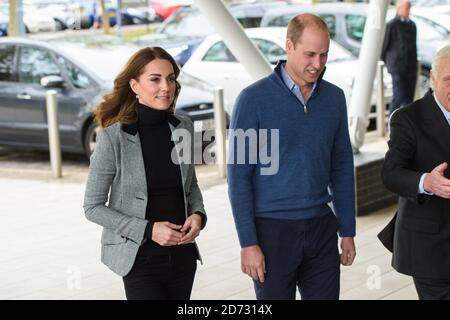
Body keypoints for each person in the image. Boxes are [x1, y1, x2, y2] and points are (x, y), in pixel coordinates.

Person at [228, 14, 356, 300]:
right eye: (310, 54)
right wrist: (248, 242)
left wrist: (347, 229)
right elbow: (239, 178)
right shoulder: (253, 100)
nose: (318, 64)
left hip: (321, 227)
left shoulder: (334, 98)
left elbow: (342, 168)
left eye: (324, 55)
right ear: (289, 46)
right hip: (272, 232)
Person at [83, 47, 207, 300]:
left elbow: (190, 185)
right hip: (139, 259)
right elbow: (92, 207)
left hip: (183, 257)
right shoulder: (111, 137)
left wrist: (198, 214)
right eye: (155, 79)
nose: (166, 87)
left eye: (171, 78)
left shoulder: (183, 126)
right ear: (134, 85)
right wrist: (149, 230)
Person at [380, 44, 450, 300]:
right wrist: (427, 182)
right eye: (449, 80)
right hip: (431, 247)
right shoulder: (408, 118)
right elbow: (391, 173)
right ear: (432, 79)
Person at [381, 0, 418, 116]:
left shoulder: (412, 25)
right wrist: (389, 63)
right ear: (398, 8)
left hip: (411, 67)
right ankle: (392, 124)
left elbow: (413, 46)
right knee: (399, 96)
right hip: (397, 68)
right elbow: (384, 46)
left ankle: (408, 126)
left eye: (409, 7)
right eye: (406, 8)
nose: (408, 10)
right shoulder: (391, 25)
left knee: (409, 98)